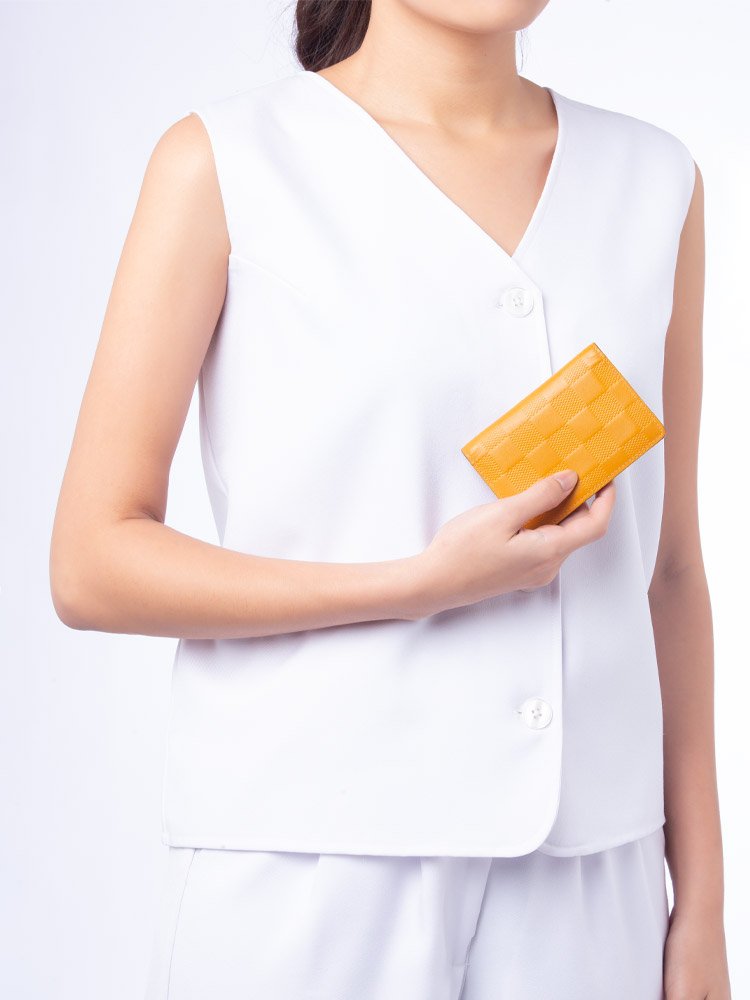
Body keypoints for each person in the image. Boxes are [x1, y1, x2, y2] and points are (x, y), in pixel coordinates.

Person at [50, 1, 731, 998]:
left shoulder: (656, 180)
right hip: (309, 858)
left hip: (590, 878)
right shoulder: (225, 164)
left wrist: (703, 902)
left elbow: (668, 571)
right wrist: (416, 584)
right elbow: (92, 562)